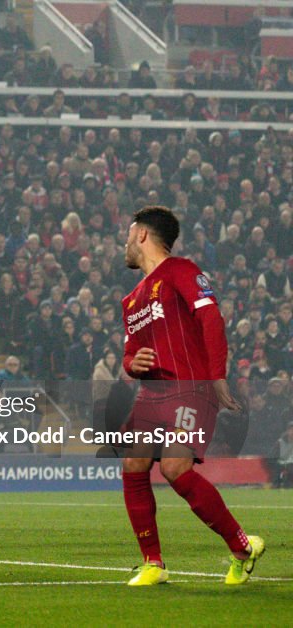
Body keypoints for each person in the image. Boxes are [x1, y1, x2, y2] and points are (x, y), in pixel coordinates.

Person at [119, 206, 264, 586]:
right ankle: (153, 562)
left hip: (190, 388)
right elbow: (128, 353)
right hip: (152, 393)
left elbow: (211, 317)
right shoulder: (131, 301)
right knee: (133, 465)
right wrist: (133, 363)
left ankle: (241, 545)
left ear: (142, 235)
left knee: (174, 469)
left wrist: (217, 376)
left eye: (128, 234)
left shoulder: (182, 271)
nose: (125, 242)